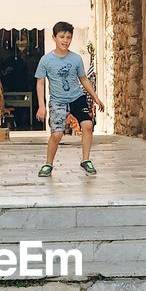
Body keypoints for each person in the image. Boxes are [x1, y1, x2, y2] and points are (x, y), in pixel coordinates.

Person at [35, 22, 105, 177]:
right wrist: (42, 105)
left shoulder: (76, 59)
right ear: (54, 37)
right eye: (62, 37)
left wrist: (96, 98)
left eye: (68, 37)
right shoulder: (46, 60)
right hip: (57, 100)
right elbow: (40, 82)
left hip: (76, 97)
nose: (65, 40)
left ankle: (85, 160)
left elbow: (84, 79)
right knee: (57, 135)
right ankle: (48, 164)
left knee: (87, 125)